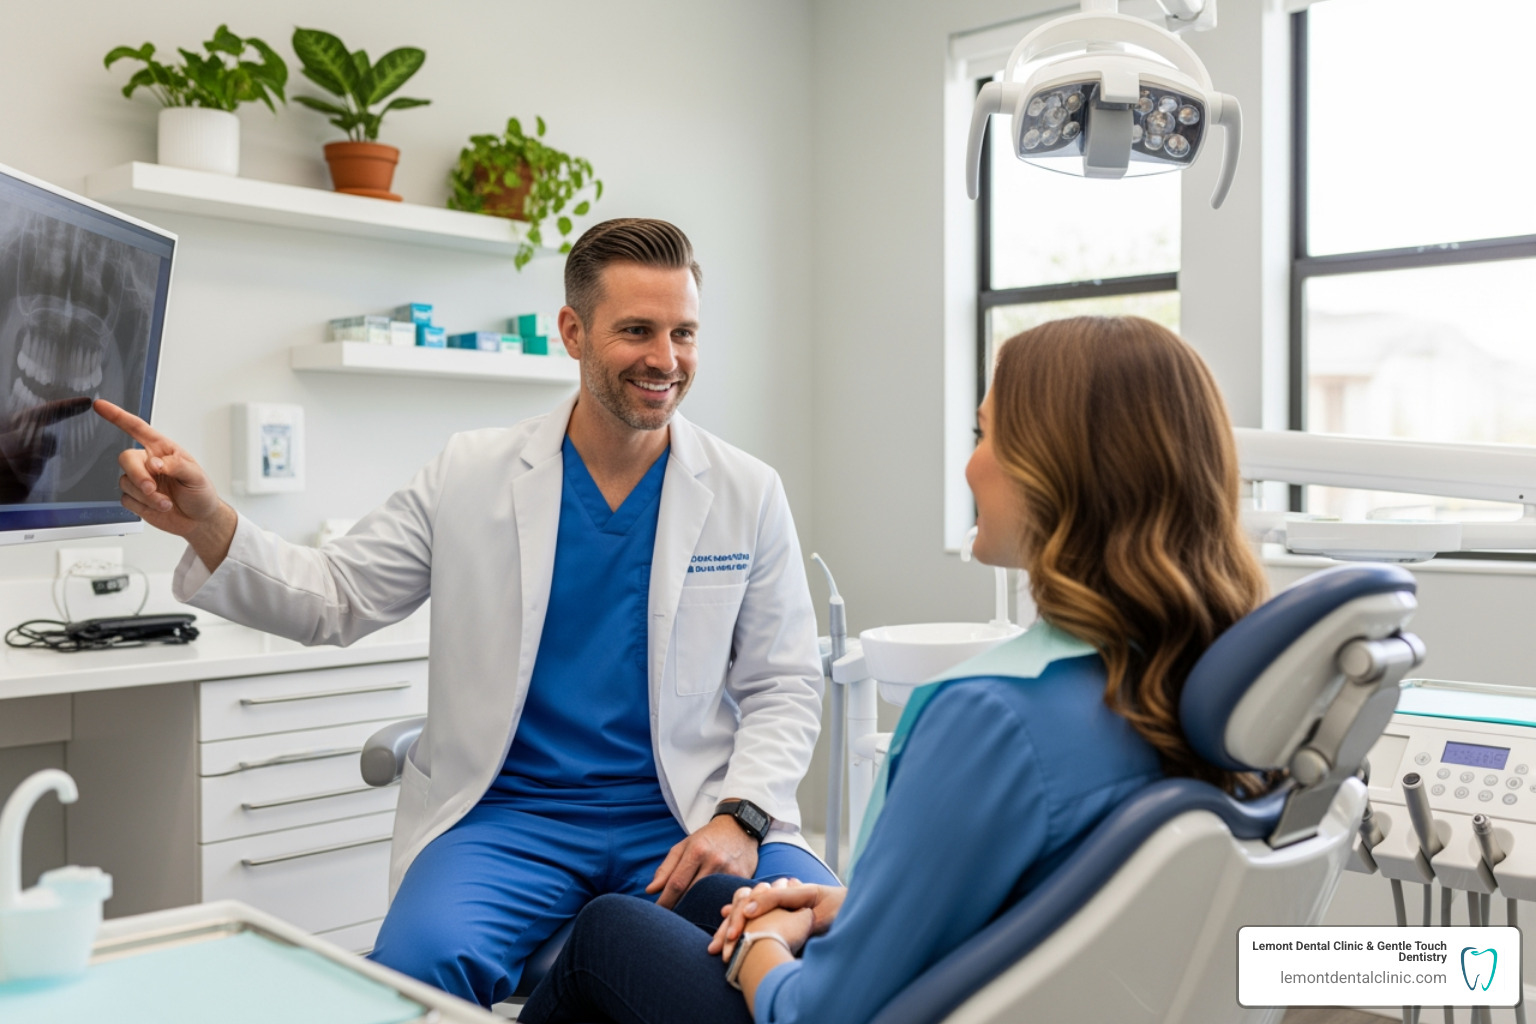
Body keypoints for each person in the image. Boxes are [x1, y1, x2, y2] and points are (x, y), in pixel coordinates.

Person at [93, 218, 837, 1008]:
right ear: (573, 332)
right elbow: (335, 596)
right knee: (414, 973)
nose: (665, 358)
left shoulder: (747, 492)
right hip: (510, 821)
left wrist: (741, 818)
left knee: (830, 946)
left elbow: (784, 683)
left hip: (689, 817)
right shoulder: (471, 473)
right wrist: (209, 522)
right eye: (637, 331)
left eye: (683, 333)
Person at [517, 315, 1271, 1024]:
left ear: (1061, 473)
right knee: (709, 898)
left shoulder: (989, 718)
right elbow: (1051, 905)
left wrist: (764, 946)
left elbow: (818, 1014)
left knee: (609, 934)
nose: (970, 464)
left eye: (985, 436)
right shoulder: (1215, 691)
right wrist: (846, 911)